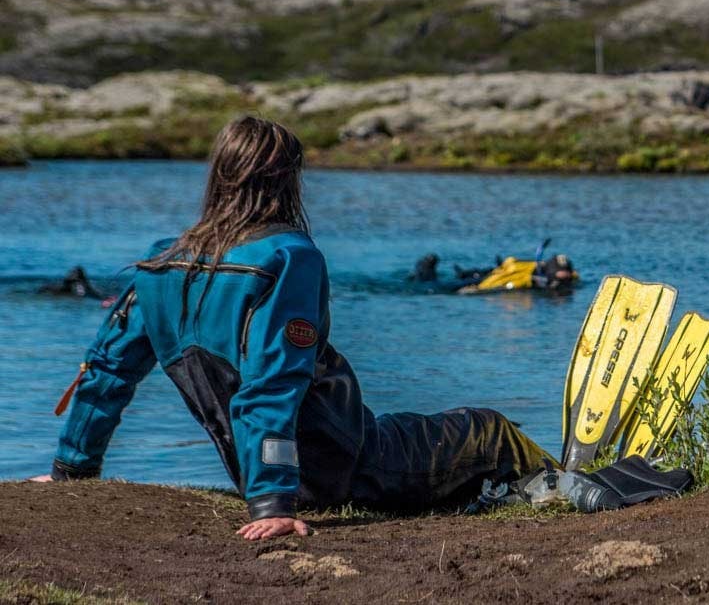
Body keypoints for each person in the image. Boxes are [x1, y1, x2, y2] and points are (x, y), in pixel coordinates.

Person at [34, 116, 552, 539]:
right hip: (345, 468)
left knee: (426, 436)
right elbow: (272, 383)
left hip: (270, 470)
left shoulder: (160, 263)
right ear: (287, 179)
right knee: (489, 430)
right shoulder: (288, 256)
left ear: (220, 175)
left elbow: (107, 371)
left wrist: (71, 470)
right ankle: (576, 490)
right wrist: (271, 504)